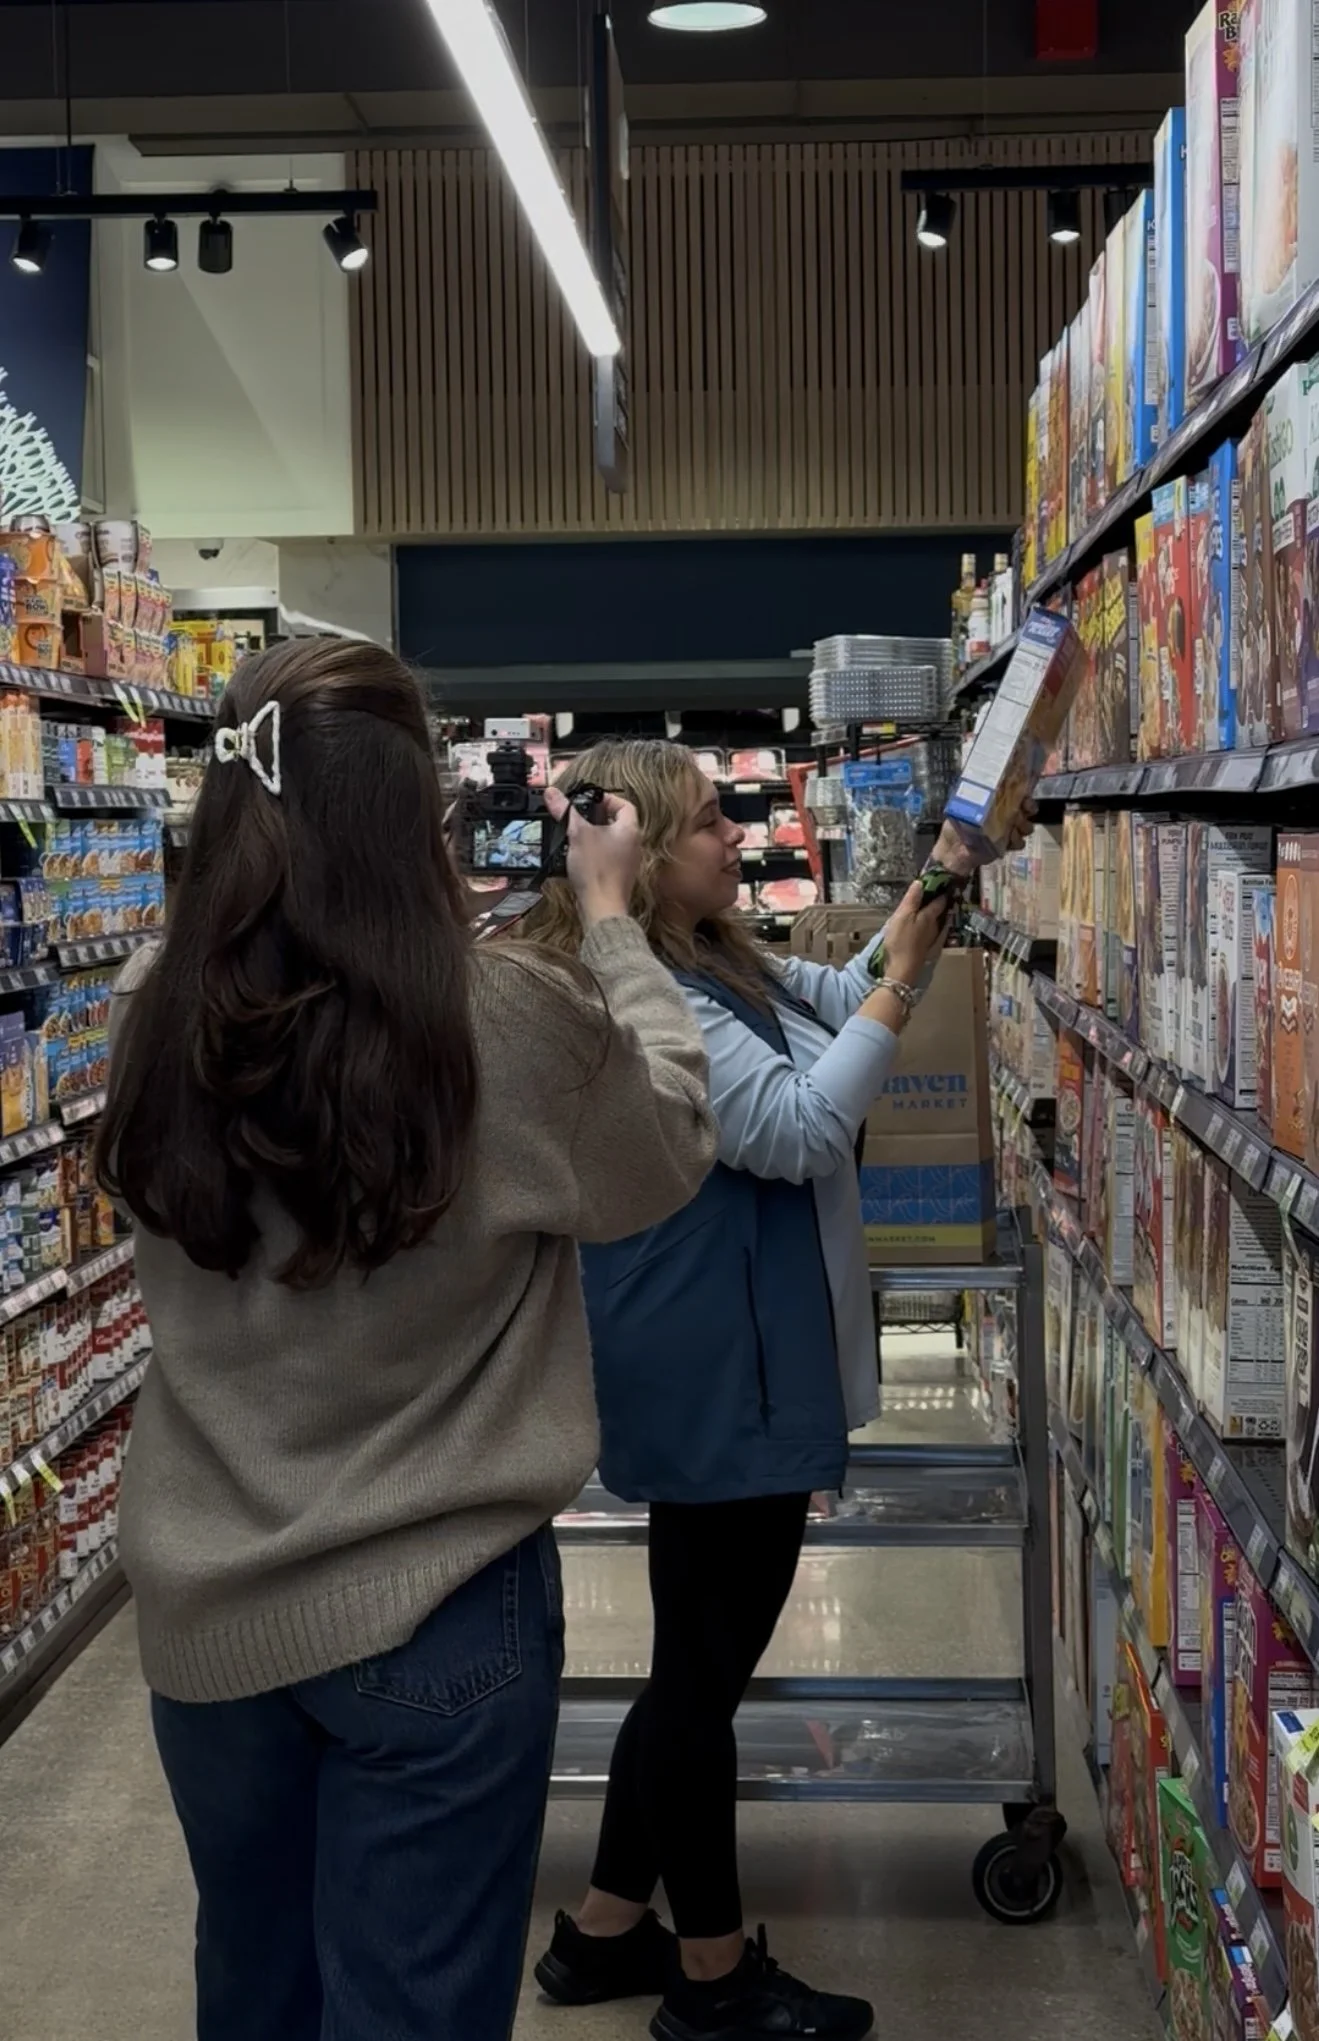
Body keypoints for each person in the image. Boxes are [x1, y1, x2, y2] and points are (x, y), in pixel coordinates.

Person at [96, 642, 718, 2041]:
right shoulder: (508, 1019)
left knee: (251, 1987)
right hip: (442, 1599)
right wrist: (609, 919)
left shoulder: (152, 1009)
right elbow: (667, 1149)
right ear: (413, 809)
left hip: (207, 1601)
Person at [526, 738, 1011, 2041]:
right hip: (712, 1356)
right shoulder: (650, 993)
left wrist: (935, 897)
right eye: (706, 828)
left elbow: (837, 994)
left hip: (734, 1335)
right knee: (701, 1680)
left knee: (692, 1665)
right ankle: (711, 1979)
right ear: (635, 853)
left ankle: (603, 1933)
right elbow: (798, 1129)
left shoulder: (714, 957)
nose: (735, 840)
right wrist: (902, 996)